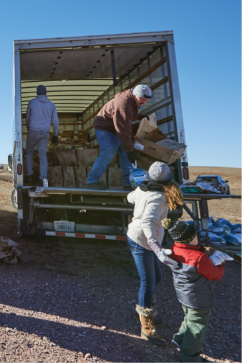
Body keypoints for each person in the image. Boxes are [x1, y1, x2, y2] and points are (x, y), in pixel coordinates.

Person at [126, 162, 184, 346]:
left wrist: (138, 189)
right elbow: (147, 221)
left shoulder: (144, 188)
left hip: (145, 240)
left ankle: (144, 308)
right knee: (148, 281)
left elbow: (129, 198)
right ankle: (146, 324)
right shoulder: (159, 196)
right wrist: (155, 245)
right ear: (169, 180)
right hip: (142, 241)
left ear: (148, 177)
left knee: (156, 277)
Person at [162, 219, 225, 363]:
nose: (198, 239)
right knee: (197, 326)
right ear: (190, 239)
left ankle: (179, 339)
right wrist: (221, 263)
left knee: (189, 317)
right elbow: (215, 275)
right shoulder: (200, 258)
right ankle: (190, 357)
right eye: (196, 237)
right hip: (199, 299)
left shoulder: (173, 250)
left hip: (184, 295)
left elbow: (188, 251)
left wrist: (201, 248)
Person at [87, 85, 153, 191]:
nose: (144, 102)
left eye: (146, 100)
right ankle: (92, 181)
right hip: (105, 128)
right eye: (142, 99)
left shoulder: (133, 100)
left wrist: (140, 116)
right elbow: (123, 131)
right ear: (135, 95)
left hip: (116, 128)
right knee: (108, 151)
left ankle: (128, 184)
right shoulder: (124, 105)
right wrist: (130, 150)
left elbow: (132, 113)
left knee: (125, 155)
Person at [25, 85, 59, 186]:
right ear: (46, 93)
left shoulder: (32, 102)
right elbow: (55, 121)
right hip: (45, 133)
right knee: (42, 155)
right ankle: (43, 179)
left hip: (33, 130)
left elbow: (27, 119)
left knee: (29, 152)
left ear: (37, 93)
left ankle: (30, 175)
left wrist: (29, 129)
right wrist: (55, 134)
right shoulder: (52, 105)